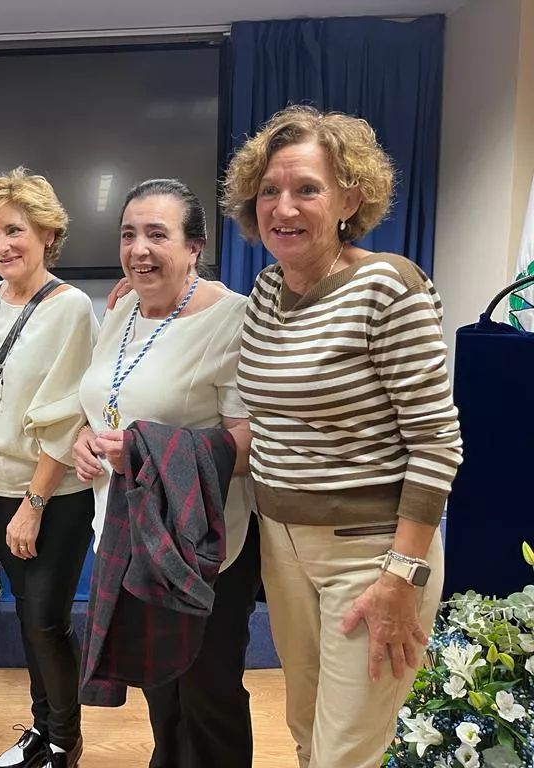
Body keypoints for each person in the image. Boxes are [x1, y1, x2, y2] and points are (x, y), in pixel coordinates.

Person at [221, 105, 463, 767]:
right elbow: (265, 422)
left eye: (307, 188)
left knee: (345, 753)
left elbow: (438, 442)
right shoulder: (268, 290)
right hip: (283, 547)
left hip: (373, 554)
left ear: (349, 197)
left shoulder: (389, 287)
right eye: (269, 190)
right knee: (306, 731)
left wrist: (401, 576)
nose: (283, 206)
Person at [73, 178, 258, 768]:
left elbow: (249, 441)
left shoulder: (231, 319)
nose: (139, 249)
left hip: (200, 543)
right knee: (160, 684)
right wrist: (85, 439)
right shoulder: (123, 307)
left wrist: (145, 454)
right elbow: (108, 401)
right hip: (129, 534)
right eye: (129, 234)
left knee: (209, 693)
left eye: (158, 234)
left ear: (195, 246)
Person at [0, 168, 98, 768]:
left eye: (14, 230)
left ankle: (65, 740)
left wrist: (34, 504)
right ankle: (42, 731)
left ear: (48, 232)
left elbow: (69, 416)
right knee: (27, 612)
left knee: (46, 617)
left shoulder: (70, 308)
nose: (2, 247)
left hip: (52, 492)